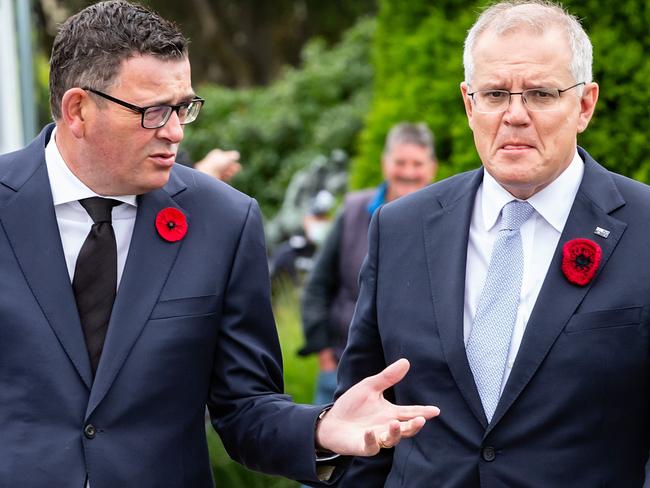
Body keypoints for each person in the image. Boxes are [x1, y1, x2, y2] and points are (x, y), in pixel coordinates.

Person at [0, 2, 439, 487]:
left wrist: (319, 428)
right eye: (152, 112)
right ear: (78, 110)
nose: (174, 132)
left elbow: (245, 408)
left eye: (183, 107)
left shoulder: (223, 220)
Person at [335, 1, 650, 486]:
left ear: (584, 105)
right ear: (469, 103)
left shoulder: (644, 226)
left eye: (541, 94)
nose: (515, 115)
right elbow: (366, 416)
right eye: (496, 93)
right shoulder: (401, 227)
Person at [299, 122, 437, 404]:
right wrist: (324, 356)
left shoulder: (445, 217)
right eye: (400, 162)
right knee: (333, 447)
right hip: (343, 371)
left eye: (417, 164)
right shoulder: (352, 212)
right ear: (385, 164)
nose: (409, 172)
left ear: (432, 167)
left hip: (419, 378)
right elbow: (317, 286)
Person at [270, 189, 335, 285]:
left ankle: (296, 285)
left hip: (313, 256)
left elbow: (316, 239)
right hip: (302, 251)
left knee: (285, 255)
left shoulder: (328, 222)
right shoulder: (311, 217)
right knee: (282, 254)